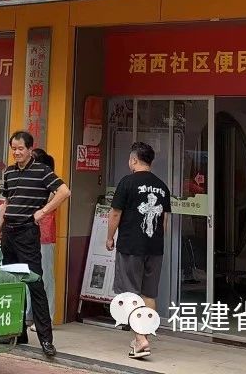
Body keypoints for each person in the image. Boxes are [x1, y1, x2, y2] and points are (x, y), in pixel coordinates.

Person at [0, 131, 70, 358]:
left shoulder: (42, 170)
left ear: (30, 149)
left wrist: (44, 211)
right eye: (14, 149)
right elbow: (5, 202)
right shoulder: (9, 172)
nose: (17, 152)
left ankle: (46, 339)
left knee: (35, 284)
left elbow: (64, 191)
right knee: (12, 283)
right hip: (8, 233)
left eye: (21, 148)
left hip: (27, 233)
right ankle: (17, 332)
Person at [106, 141, 171, 359]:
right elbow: (164, 220)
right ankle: (143, 337)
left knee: (130, 294)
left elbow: (115, 213)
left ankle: (141, 339)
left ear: (133, 160)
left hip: (131, 246)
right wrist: (156, 240)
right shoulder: (162, 186)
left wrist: (109, 237)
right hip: (155, 247)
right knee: (149, 293)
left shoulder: (127, 182)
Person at [27, 149, 58, 337]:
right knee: (30, 276)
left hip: (45, 234)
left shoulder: (52, 183)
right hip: (28, 233)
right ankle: (30, 315)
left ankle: (48, 317)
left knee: (46, 277)